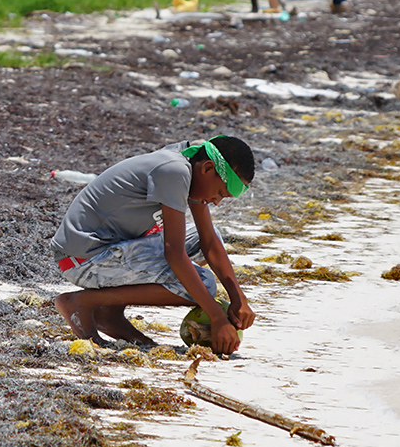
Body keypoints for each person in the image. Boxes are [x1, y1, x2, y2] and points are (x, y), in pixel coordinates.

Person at [51, 135, 257, 355]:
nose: (217, 201)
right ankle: (83, 302)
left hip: (111, 247)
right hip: (85, 259)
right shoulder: (175, 171)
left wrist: (238, 298)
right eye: (219, 193)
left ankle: (109, 314)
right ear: (207, 168)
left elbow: (208, 241)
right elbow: (174, 254)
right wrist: (216, 317)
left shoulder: (190, 162)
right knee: (205, 284)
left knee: (205, 236)